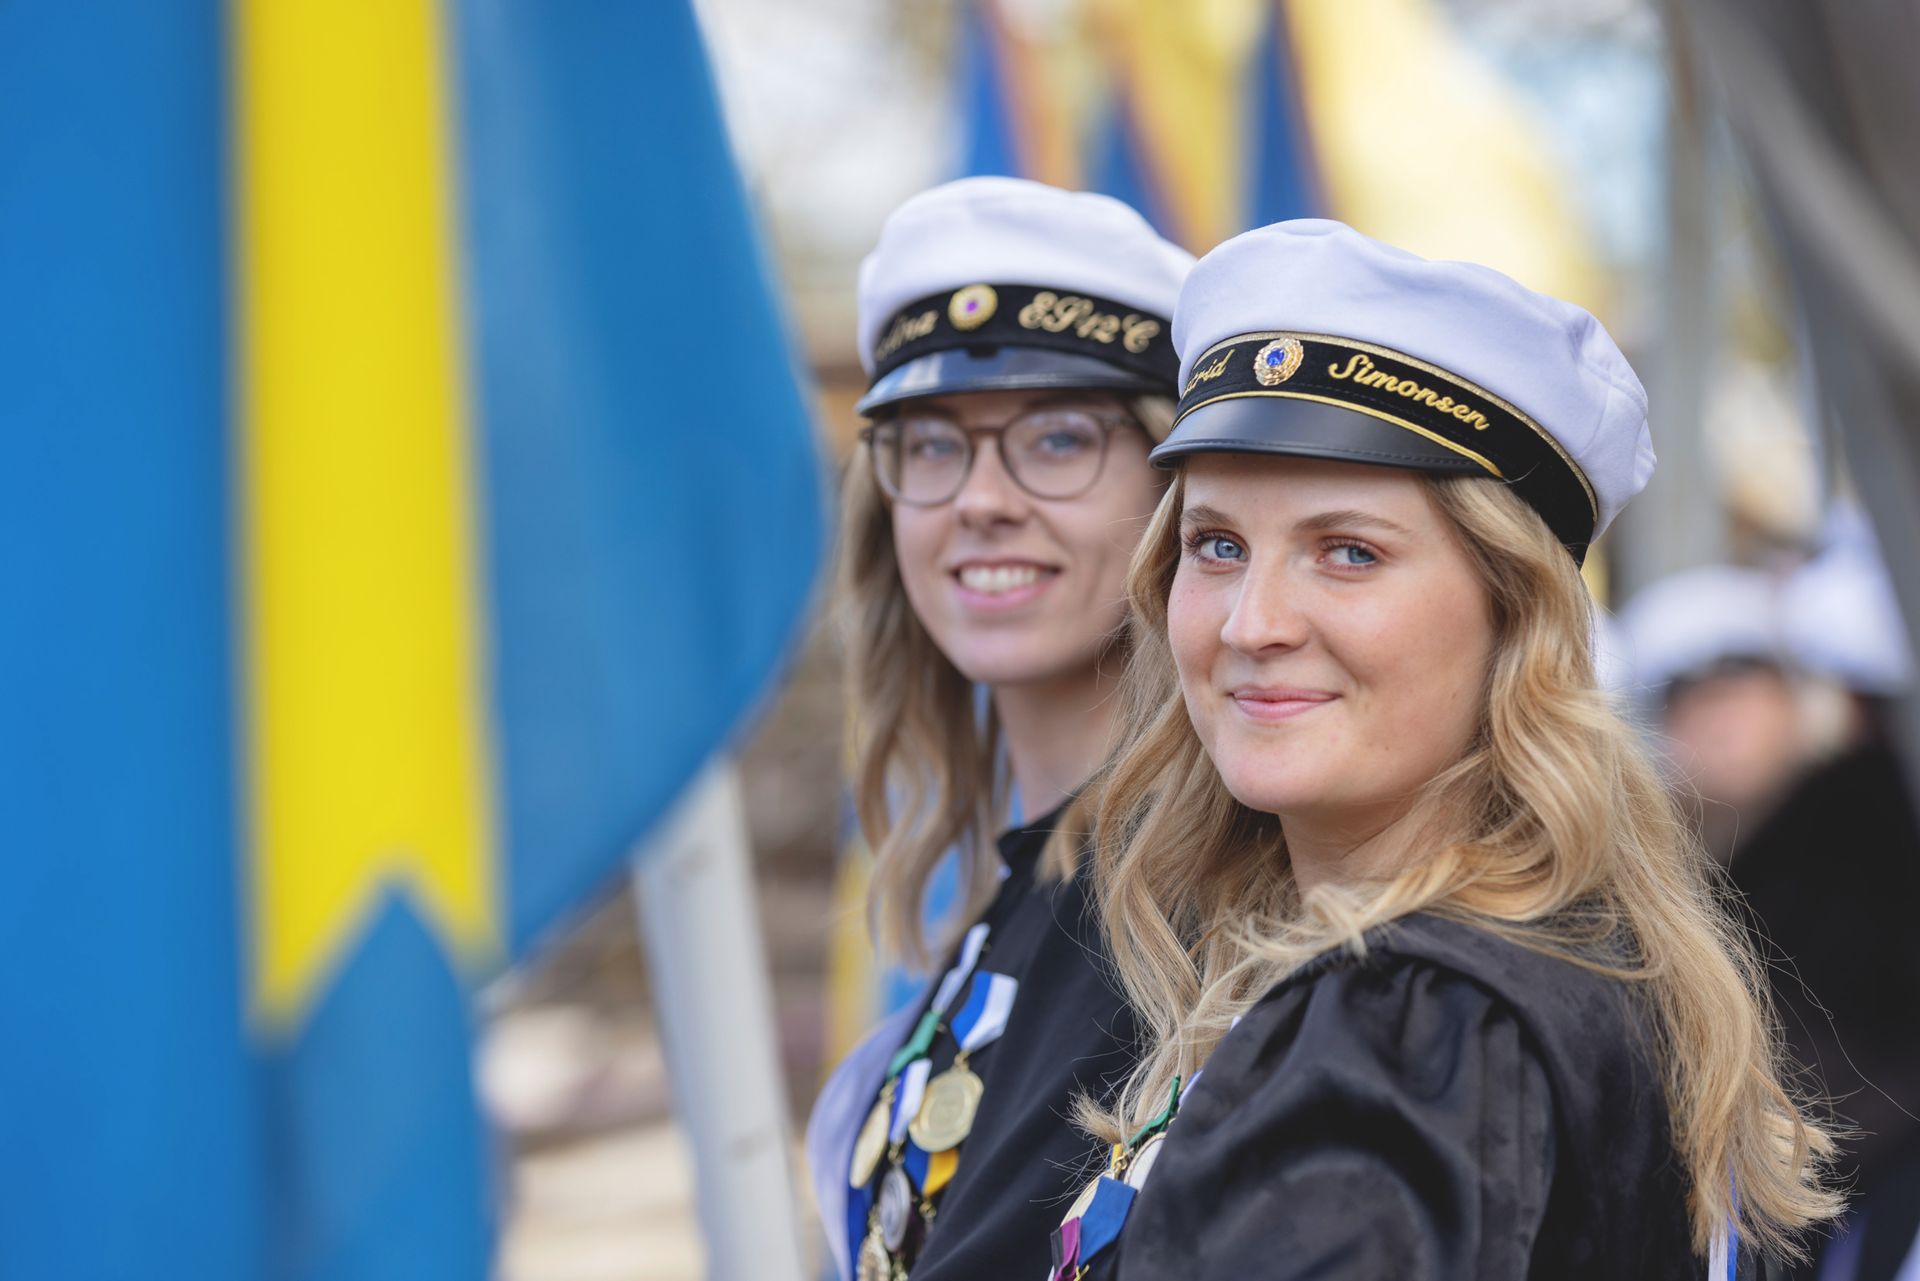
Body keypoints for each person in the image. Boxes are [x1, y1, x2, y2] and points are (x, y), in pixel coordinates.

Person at [1041, 220, 1838, 1280]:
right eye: (1217, 545)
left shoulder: (1410, 1021)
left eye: (1349, 552)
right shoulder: (1524, 965)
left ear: (1515, 618)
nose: (1250, 622)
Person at [804, 177, 1192, 1281]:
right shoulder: (1022, 897)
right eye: (931, 445)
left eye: (1057, 438)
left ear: (1176, 494)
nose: (979, 498)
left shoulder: (1206, 902)